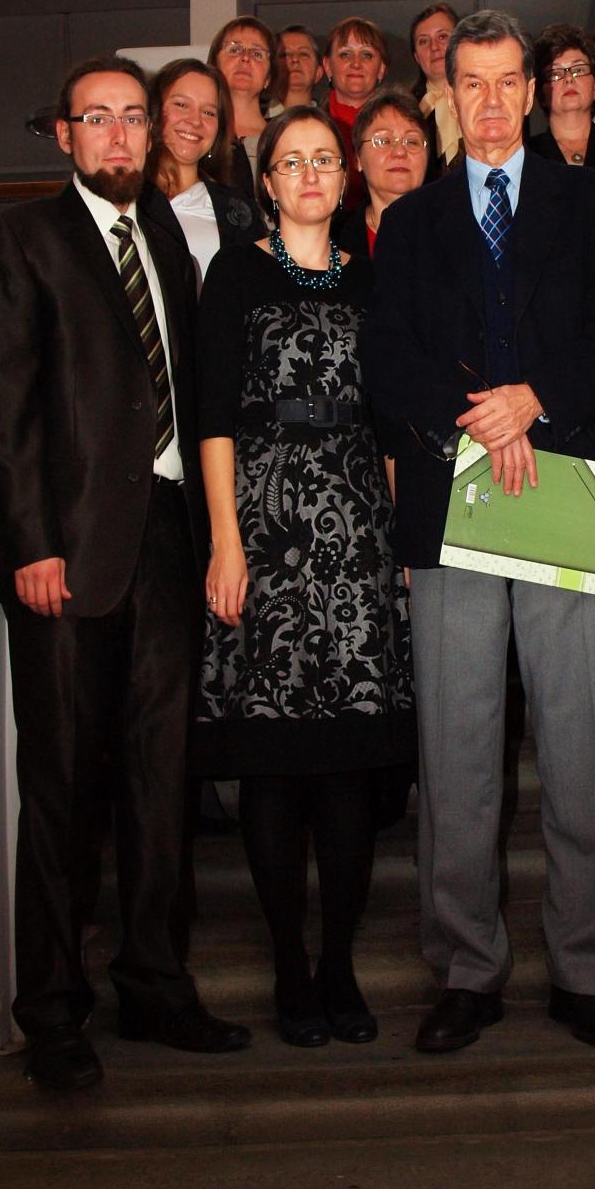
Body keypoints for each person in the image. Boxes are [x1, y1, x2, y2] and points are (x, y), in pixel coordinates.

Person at [362, 10, 595, 1054]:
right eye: (467, 83)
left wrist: (535, 399)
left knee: (576, 739)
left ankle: (581, 967)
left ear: (533, 90)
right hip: (451, 495)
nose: (488, 102)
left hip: (564, 479)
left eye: (504, 82)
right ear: (446, 93)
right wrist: (480, 413)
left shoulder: (591, 201)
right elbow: (386, 356)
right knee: (459, 742)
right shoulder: (413, 221)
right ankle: (467, 964)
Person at [0, 53, 250, 1092]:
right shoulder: (18, 240)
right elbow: (4, 412)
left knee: (159, 782)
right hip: (64, 556)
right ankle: (50, 1011)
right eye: (101, 120)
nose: (122, 137)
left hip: (168, 540)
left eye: (136, 118)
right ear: (64, 134)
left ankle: (156, 982)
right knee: (63, 791)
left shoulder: (167, 237)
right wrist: (32, 540)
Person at [197, 105, 414, 1047]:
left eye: (327, 158)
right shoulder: (235, 271)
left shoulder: (373, 274)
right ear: (269, 181)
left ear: (344, 175)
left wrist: (403, 537)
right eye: (294, 161)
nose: (313, 174)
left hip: (360, 531)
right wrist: (225, 542)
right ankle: (289, 965)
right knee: (277, 772)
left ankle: (338, 964)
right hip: (266, 526)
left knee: (350, 768)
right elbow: (211, 415)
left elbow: (394, 415)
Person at [143, 57, 264, 282]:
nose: (195, 121)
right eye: (181, 105)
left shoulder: (239, 211)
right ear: (155, 112)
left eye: (208, 112)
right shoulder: (126, 198)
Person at [332, 88, 430, 258]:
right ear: (358, 159)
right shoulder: (334, 238)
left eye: (412, 141)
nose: (399, 152)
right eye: (384, 141)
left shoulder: (455, 230)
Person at [209, 15, 283, 192]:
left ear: (268, 78)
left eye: (257, 54)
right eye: (235, 50)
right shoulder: (198, 132)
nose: (245, 58)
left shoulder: (282, 138)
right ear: (214, 65)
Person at [323, 16, 389, 210]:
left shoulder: (403, 129)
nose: (356, 63)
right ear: (327, 66)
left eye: (367, 55)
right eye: (345, 54)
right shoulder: (310, 127)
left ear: (381, 69)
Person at [530, 23, 595, 168]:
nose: (569, 78)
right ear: (541, 94)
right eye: (556, 73)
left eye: (578, 70)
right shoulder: (527, 156)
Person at [409, 1, 463, 178]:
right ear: (417, 57)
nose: (434, 47)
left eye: (442, 37)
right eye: (424, 41)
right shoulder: (406, 110)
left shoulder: (487, 99)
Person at [278, 24, 324, 109]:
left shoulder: (328, 121)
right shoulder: (256, 120)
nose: (295, 59)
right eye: (285, 54)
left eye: (303, 54)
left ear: (318, 73)